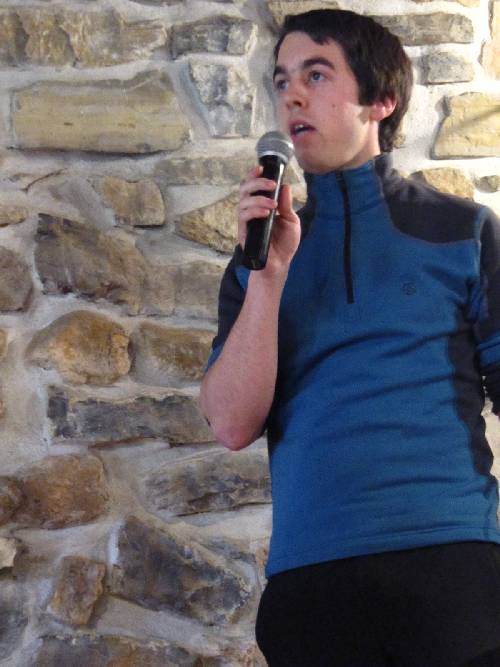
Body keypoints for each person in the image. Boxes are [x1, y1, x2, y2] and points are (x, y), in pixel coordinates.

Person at [199, 9, 500, 667]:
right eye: (282, 81)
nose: (292, 97)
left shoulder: (464, 231)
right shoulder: (257, 262)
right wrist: (268, 277)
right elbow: (230, 423)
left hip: (451, 570)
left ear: (381, 100)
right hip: (313, 582)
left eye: (315, 75)